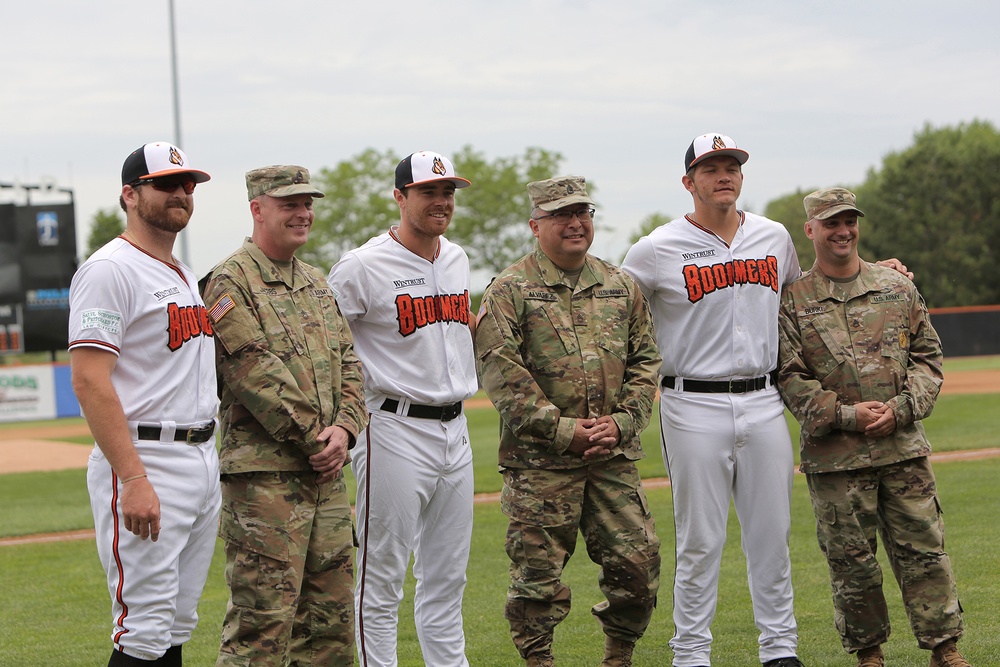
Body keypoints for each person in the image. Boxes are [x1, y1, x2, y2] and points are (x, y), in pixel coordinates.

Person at [620, 133, 805, 667]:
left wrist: (878, 271)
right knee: (700, 538)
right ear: (688, 182)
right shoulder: (656, 248)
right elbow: (611, 305)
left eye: (732, 166)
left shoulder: (774, 237)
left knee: (772, 532)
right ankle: (692, 654)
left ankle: (780, 649)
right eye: (710, 168)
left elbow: (804, 297)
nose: (724, 175)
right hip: (691, 402)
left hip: (764, 397)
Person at [776, 188, 969, 667]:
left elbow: (928, 357)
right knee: (851, 563)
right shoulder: (793, 300)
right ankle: (870, 656)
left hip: (902, 449)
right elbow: (787, 375)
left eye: (849, 221)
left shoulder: (896, 286)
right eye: (831, 223)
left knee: (926, 553)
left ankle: (945, 649)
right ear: (811, 230)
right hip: (835, 458)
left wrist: (903, 408)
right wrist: (846, 415)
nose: (843, 231)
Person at [475, 176, 662, 667]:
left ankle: (618, 656)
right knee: (536, 581)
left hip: (612, 459)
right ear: (536, 225)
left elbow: (647, 362)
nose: (575, 223)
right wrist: (565, 432)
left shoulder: (621, 286)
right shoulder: (509, 290)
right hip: (541, 466)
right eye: (561, 215)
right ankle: (540, 662)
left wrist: (622, 423)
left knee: (637, 568)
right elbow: (501, 373)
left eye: (583, 212)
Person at [204, 165, 368, 666]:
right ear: (258, 209)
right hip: (265, 483)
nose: (303, 213)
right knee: (263, 625)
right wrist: (319, 441)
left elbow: (351, 365)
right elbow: (253, 372)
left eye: (307, 203)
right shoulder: (230, 280)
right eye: (289, 205)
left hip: (326, 481)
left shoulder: (316, 282)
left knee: (331, 624)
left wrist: (345, 428)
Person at [69, 141, 220, 666]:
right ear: (131, 195)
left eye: (188, 184)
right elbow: (89, 380)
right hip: (146, 457)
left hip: (200, 455)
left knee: (176, 624)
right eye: (166, 184)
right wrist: (132, 478)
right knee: (144, 628)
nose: (181, 192)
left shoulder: (179, 272)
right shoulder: (111, 269)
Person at [326, 150, 477, 667]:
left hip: (456, 429)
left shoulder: (456, 258)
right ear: (400, 197)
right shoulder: (363, 265)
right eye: (428, 192)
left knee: (446, 578)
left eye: (448, 192)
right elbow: (325, 343)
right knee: (381, 577)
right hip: (392, 426)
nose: (441, 201)